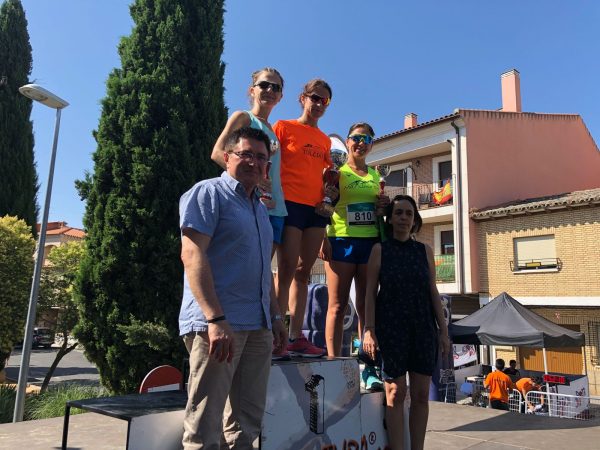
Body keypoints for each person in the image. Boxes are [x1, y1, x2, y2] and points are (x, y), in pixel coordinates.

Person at [179, 127, 287, 449]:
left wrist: (277, 317)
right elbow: (191, 253)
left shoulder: (260, 211)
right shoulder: (208, 193)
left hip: (258, 327)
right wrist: (214, 319)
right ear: (227, 157)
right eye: (246, 154)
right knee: (205, 427)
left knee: (246, 426)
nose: (254, 162)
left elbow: (262, 271)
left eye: (261, 157)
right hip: (218, 327)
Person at [362, 195, 451, 450]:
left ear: (414, 221)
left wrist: (443, 332)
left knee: (421, 396)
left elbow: (432, 291)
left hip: (423, 329)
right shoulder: (380, 250)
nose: (403, 217)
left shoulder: (425, 251)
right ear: (390, 219)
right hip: (391, 330)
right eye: (398, 213)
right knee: (395, 394)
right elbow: (369, 293)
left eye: (408, 214)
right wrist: (369, 330)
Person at [320, 122, 388, 390]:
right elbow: (324, 202)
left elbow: (378, 209)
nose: (361, 143)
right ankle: (334, 363)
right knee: (337, 306)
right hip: (341, 241)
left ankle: (368, 368)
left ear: (372, 144)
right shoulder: (337, 172)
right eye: (356, 138)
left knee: (365, 305)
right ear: (347, 142)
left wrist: (383, 206)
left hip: (370, 243)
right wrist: (322, 237)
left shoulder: (375, 175)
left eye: (367, 139)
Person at [273, 78, 336, 358]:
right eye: (315, 98)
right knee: (286, 268)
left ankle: (296, 337)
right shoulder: (284, 127)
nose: (319, 104)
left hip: (316, 210)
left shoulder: (325, 140)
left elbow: (327, 177)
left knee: (303, 271)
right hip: (289, 203)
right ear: (302, 98)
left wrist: (329, 195)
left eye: (325, 101)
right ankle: (276, 334)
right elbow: (271, 163)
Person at [211, 67, 286, 256]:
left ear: (280, 97)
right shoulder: (243, 117)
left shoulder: (274, 130)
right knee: (242, 265)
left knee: (261, 271)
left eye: (275, 88)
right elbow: (218, 152)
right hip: (248, 202)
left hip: (275, 207)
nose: (270, 90)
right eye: (264, 85)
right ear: (252, 90)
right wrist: (253, 180)